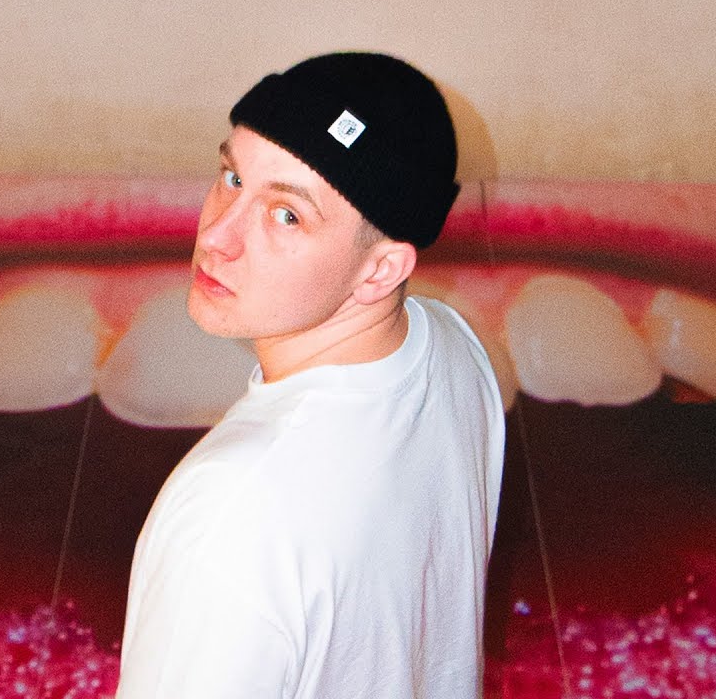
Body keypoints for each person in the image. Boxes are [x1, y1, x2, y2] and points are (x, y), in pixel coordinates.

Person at [116, 52, 506, 698]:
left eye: (287, 214)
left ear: (380, 270)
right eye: (233, 178)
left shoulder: (228, 521)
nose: (216, 236)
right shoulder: (450, 344)